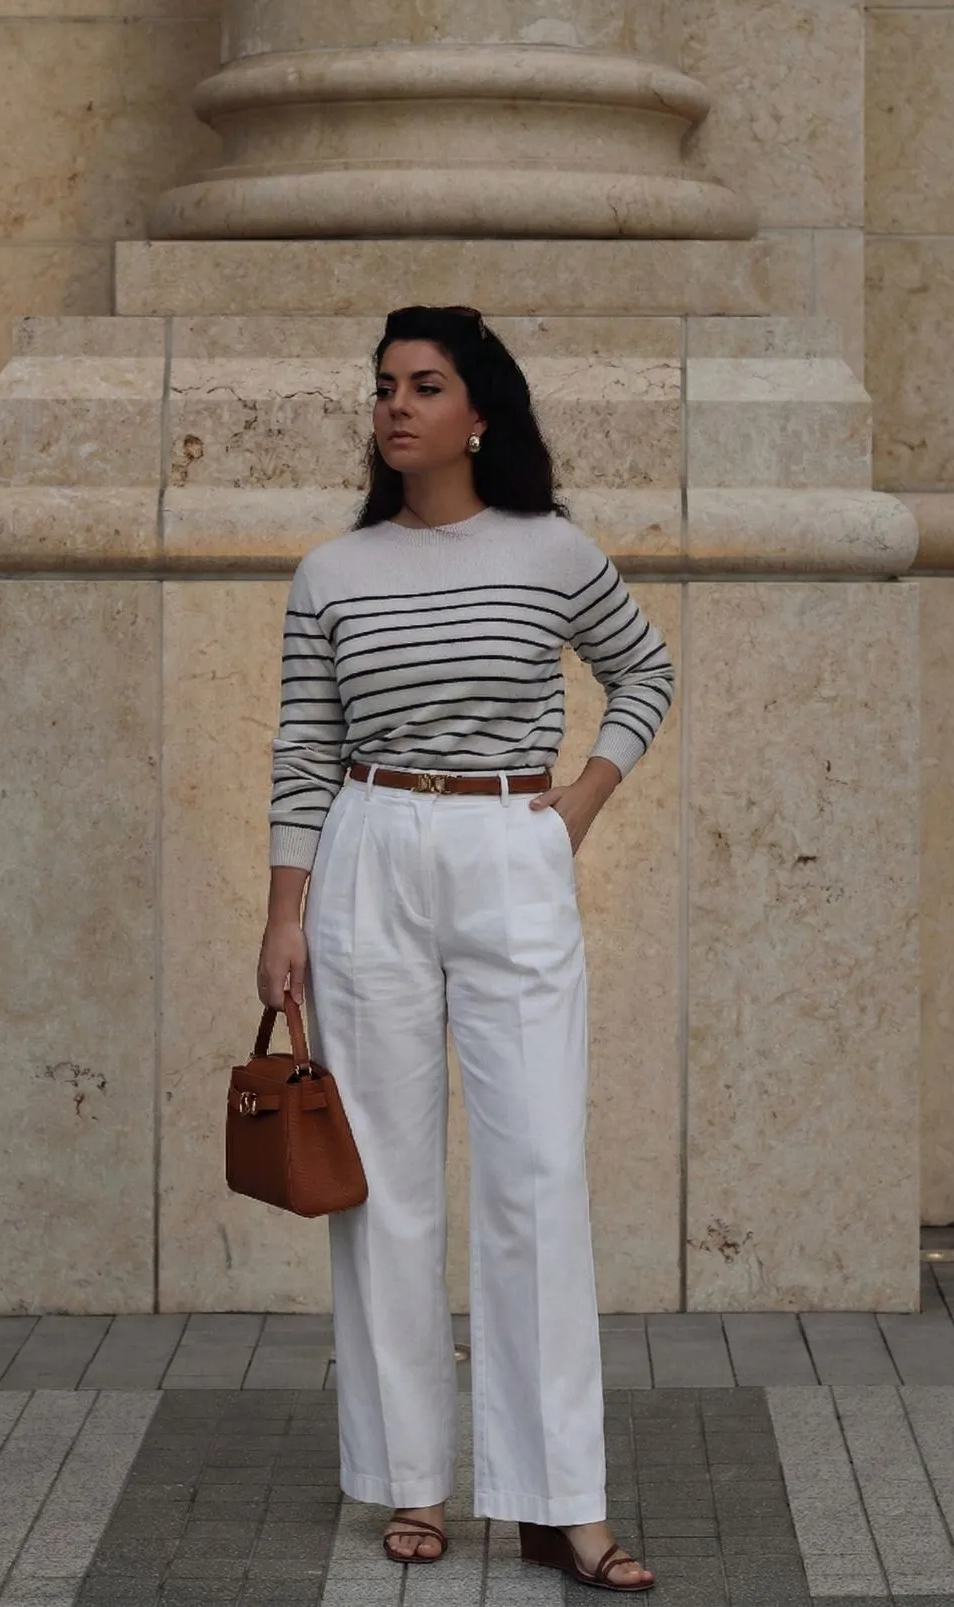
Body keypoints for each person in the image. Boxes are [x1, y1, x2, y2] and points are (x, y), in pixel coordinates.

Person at [257, 304, 674, 1593]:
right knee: (379, 1184)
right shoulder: (331, 570)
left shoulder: (552, 551)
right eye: (384, 385)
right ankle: (409, 1484)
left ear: (479, 411)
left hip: (507, 843)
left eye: (422, 385)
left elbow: (643, 671)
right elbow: (302, 746)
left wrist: (583, 801)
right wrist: (284, 913)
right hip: (369, 847)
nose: (394, 406)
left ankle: (560, 1500)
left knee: (537, 1175)